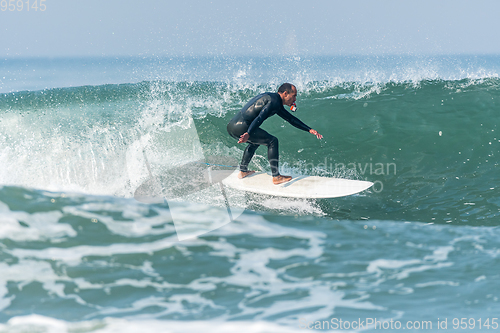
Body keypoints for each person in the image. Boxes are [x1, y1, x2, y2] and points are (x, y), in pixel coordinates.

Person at [227, 83, 323, 185]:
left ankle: (243, 171)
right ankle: (276, 177)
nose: (295, 99)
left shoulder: (273, 99)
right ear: (285, 93)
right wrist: (248, 133)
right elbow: (260, 117)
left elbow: (290, 119)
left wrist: (309, 129)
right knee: (272, 141)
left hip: (232, 126)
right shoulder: (274, 102)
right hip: (243, 127)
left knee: (255, 142)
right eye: (294, 95)